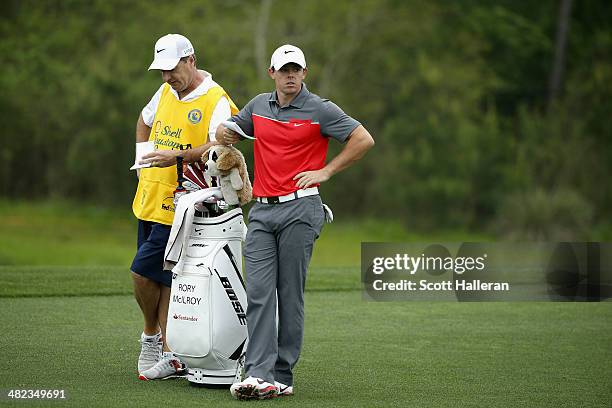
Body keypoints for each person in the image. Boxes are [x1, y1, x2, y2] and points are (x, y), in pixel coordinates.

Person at [218, 44, 375, 399]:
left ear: (305, 73)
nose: (291, 76)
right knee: (258, 293)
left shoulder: (320, 109)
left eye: (296, 70)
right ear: (271, 73)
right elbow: (231, 129)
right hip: (261, 211)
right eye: (284, 70)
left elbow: (363, 139)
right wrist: (224, 133)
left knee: (289, 294)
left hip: (301, 210)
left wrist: (327, 170)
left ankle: (282, 373)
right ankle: (259, 372)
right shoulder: (259, 105)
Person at [130, 33, 238, 380]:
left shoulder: (215, 98)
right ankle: (170, 353)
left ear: (190, 60)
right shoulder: (164, 91)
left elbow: (219, 145)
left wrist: (175, 157)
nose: (166, 77)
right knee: (163, 280)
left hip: (182, 204)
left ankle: (150, 337)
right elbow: (144, 120)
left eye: (172, 69)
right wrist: (142, 157)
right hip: (149, 197)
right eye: (161, 71)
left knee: (142, 272)